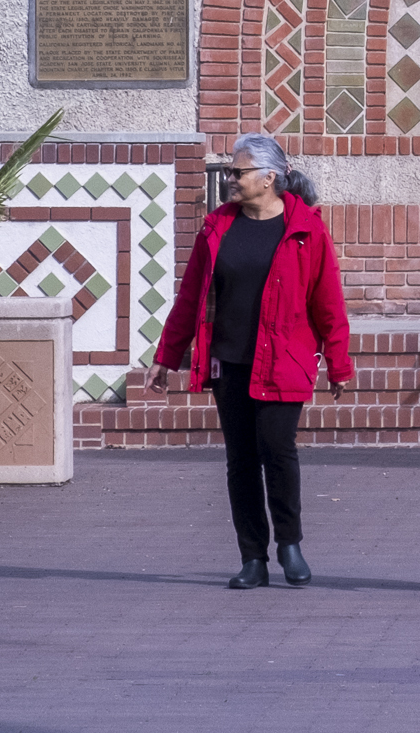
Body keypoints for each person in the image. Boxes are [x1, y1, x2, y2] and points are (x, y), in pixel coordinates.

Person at [155, 134, 354, 588]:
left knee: (278, 451)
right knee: (240, 460)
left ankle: (289, 543)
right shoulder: (216, 228)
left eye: (238, 172)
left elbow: (328, 303)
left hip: (285, 359)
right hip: (230, 362)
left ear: (270, 177)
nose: (230, 179)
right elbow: (190, 298)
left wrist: (339, 364)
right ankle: (253, 558)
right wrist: (167, 357)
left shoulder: (307, 229)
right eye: (230, 171)